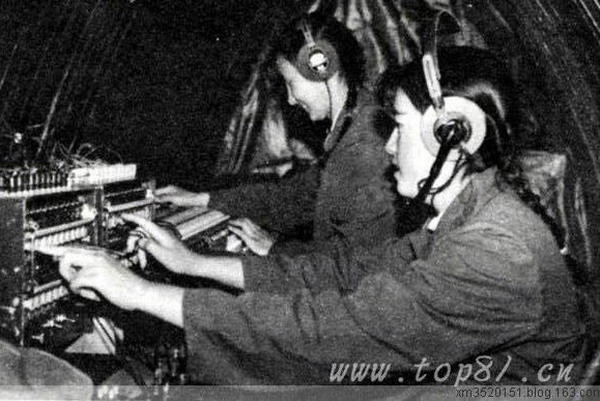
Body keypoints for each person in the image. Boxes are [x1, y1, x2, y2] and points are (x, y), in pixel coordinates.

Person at [41, 46, 586, 385]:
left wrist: (140, 293)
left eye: (398, 126)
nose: (388, 146)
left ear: (449, 134)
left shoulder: (496, 248)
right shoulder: (474, 213)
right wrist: (193, 264)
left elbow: (338, 331)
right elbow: (346, 273)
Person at [155, 13, 403, 256]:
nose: (291, 99)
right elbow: (297, 196)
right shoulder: (355, 122)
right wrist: (202, 199)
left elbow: (355, 264)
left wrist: (276, 249)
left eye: (290, 83)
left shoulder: (364, 142)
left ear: (320, 68)